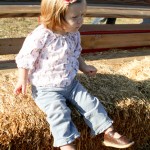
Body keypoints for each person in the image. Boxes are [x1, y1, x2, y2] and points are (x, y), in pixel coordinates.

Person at [14, 0, 134, 150]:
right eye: (75, 17)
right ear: (56, 17)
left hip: (71, 84)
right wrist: (22, 79)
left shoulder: (73, 34)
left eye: (82, 15)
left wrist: (84, 67)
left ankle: (108, 133)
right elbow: (25, 57)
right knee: (59, 113)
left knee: (91, 104)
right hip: (46, 88)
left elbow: (75, 53)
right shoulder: (41, 35)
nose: (81, 20)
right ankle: (66, 145)